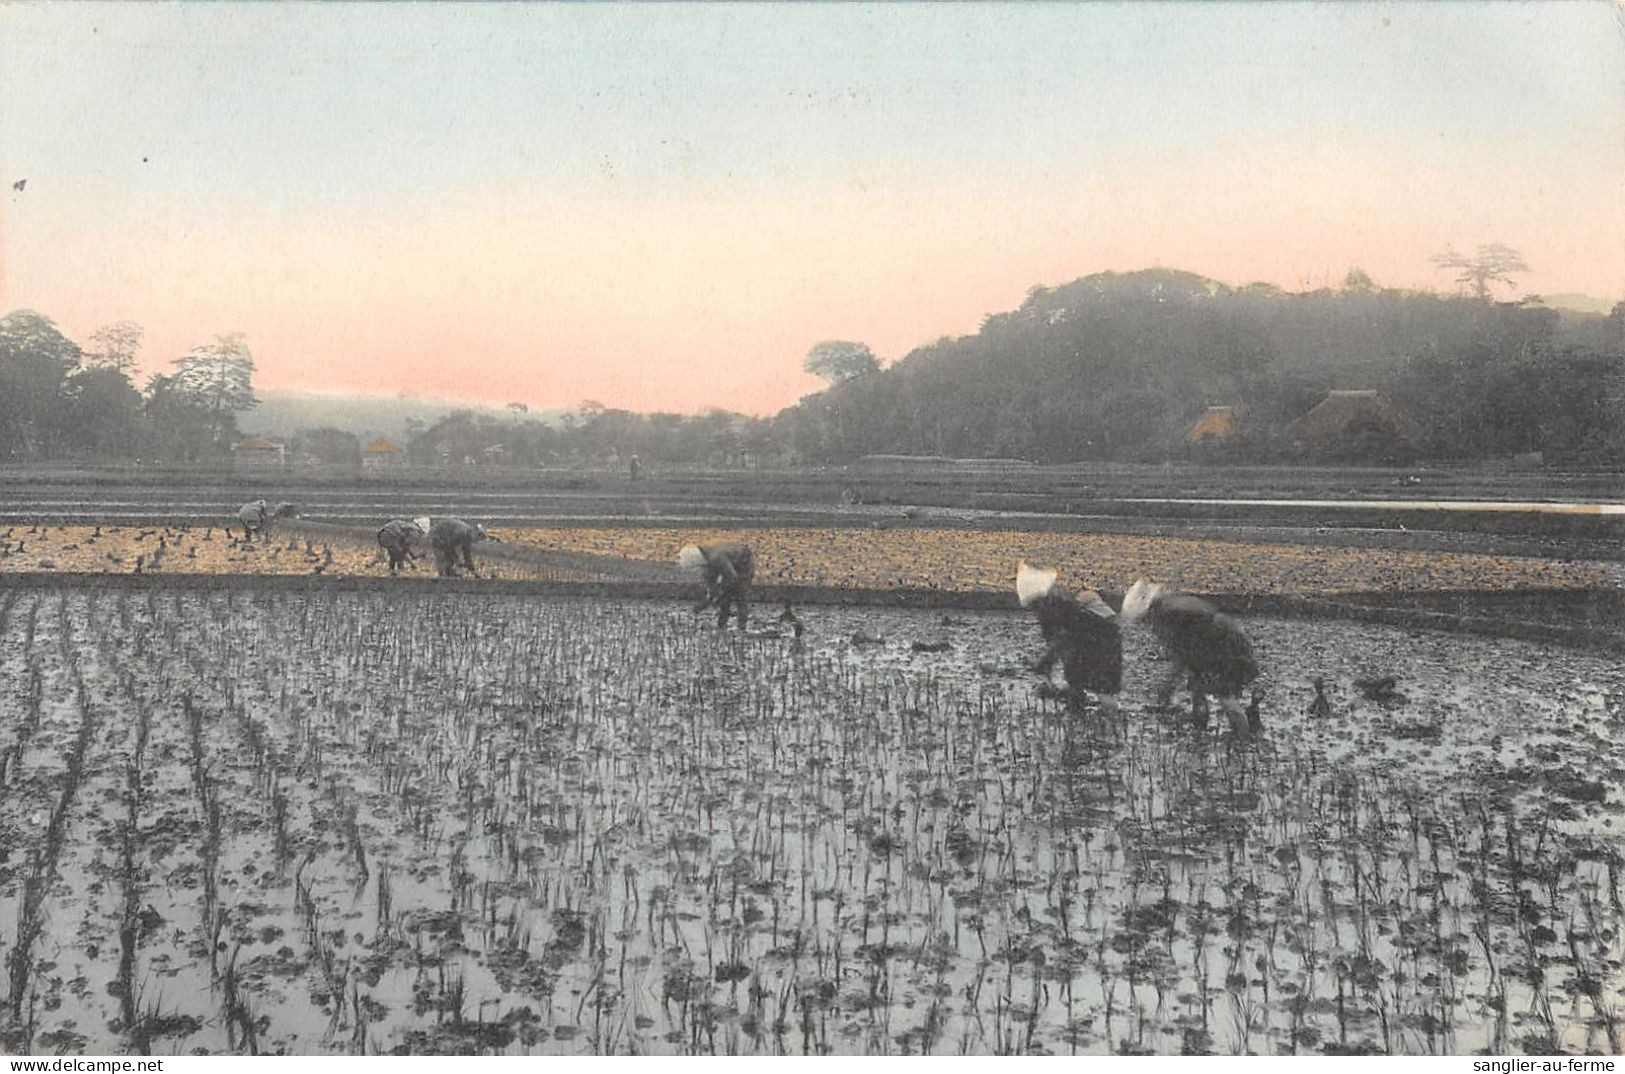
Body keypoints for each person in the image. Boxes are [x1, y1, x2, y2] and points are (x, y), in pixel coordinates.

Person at [1119, 579, 1261, 734]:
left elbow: (1180, 656)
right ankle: (1201, 730)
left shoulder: (1167, 616)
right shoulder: (1173, 605)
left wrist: (1167, 687)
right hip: (1214, 646)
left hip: (1224, 650)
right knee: (1198, 688)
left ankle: (1243, 740)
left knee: (1226, 697)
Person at [1016, 562, 1122, 711]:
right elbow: (1060, 641)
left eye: (1035, 602)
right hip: (1089, 643)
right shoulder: (1052, 608)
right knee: (1077, 677)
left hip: (1100, 642)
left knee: (1102, 690)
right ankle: (1080, 703)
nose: (1034, 607)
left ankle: (1107, 715)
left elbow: (1065, 637)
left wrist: (1047, 660)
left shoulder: (1060, 607)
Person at [678, 542, 755, 630]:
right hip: (729, 567)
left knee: (740, 596)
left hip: (744, 564)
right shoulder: (707, 564)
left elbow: (732, 577)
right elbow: (711, 587)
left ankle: (742, 628)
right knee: (724, 600)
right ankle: (721, 626)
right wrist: (707, 600)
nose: (700, 570)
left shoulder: (717, 558)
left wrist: (720, 594)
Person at [429, 518, 498, 578]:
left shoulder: (467, 536)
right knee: (444, 558)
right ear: (474, 533)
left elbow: (467, 554)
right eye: (477, 539)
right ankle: (443, 576)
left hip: (446, 540)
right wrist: (456, 559)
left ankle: (449, 575)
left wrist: (472, 570)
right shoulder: (460, 532)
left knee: (451, 561)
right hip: (438, 536)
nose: (475, 542)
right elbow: (448, 546)